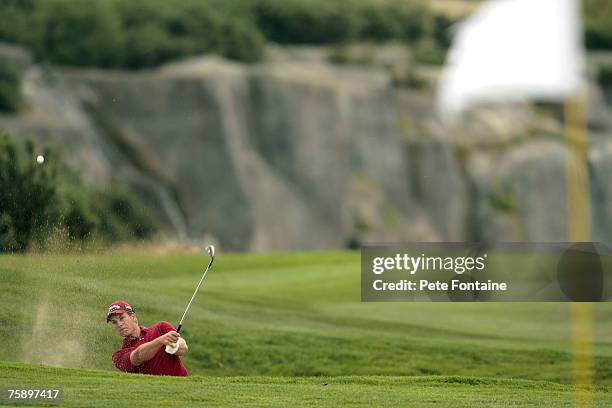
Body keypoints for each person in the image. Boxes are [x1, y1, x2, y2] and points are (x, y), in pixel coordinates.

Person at [106, 301, 189, 376]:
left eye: (122, 318)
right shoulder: (119, 356)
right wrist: (160, 341)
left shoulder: (161, 328)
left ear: (133, 317)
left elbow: (183, 349)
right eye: (114, 322)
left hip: (184, 388)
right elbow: (137, 357)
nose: (119, 324)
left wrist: (174, 346)